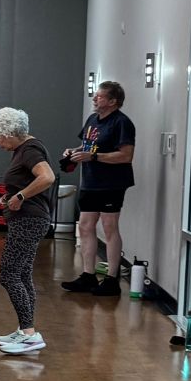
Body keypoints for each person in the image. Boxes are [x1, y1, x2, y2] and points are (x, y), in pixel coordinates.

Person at [0, 107, 57, 356]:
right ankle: (25, 329)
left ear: (9, 132)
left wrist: (21, 195)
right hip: (28, 219)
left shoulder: (30, 150)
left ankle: (29, 334)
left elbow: (47, 177)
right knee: (23, 275)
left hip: (29, 221)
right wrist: (11, 195)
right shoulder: (24, 149)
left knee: (8, 275)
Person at [60, 81, 136, 296]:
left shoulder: (122, 123)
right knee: (85, 226)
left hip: (111, 182)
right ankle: (88, 275)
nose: (94, 99)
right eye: (95, 96)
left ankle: (112, 279)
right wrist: (73, 152)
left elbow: (126, 155)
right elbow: (87, 147)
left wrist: (93, 156)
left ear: (113, 101)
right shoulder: (92, 120)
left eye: (100, 97)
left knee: (109, 226)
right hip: (91, 181)